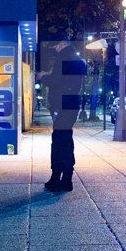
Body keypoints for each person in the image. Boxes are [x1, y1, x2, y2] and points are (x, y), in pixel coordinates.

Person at [40, 32, 86, 192]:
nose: (55, 49)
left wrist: (43, 77)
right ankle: (65, 178)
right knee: (65, 139)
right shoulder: (77, 60)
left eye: (56, 46)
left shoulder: (64, 58)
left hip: (61, 103)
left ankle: (58, 178)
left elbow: (56, 81)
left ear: (61, 44)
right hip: (71, 102)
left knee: (60, 141)